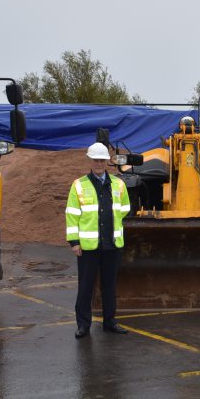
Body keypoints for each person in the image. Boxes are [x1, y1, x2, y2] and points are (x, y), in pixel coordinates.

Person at [66, 142, 132, 339]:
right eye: (95, 160)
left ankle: (109, 322)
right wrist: (74, 242)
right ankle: (83, 325)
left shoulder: (118, 184)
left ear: (106, 162)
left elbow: (125, 208)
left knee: (109, 286)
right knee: (85, 287)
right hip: (88, 247)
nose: (98, 163)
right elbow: (71, 215)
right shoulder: (79, 185)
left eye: (102, 160)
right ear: (90, 160)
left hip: (111, 245)